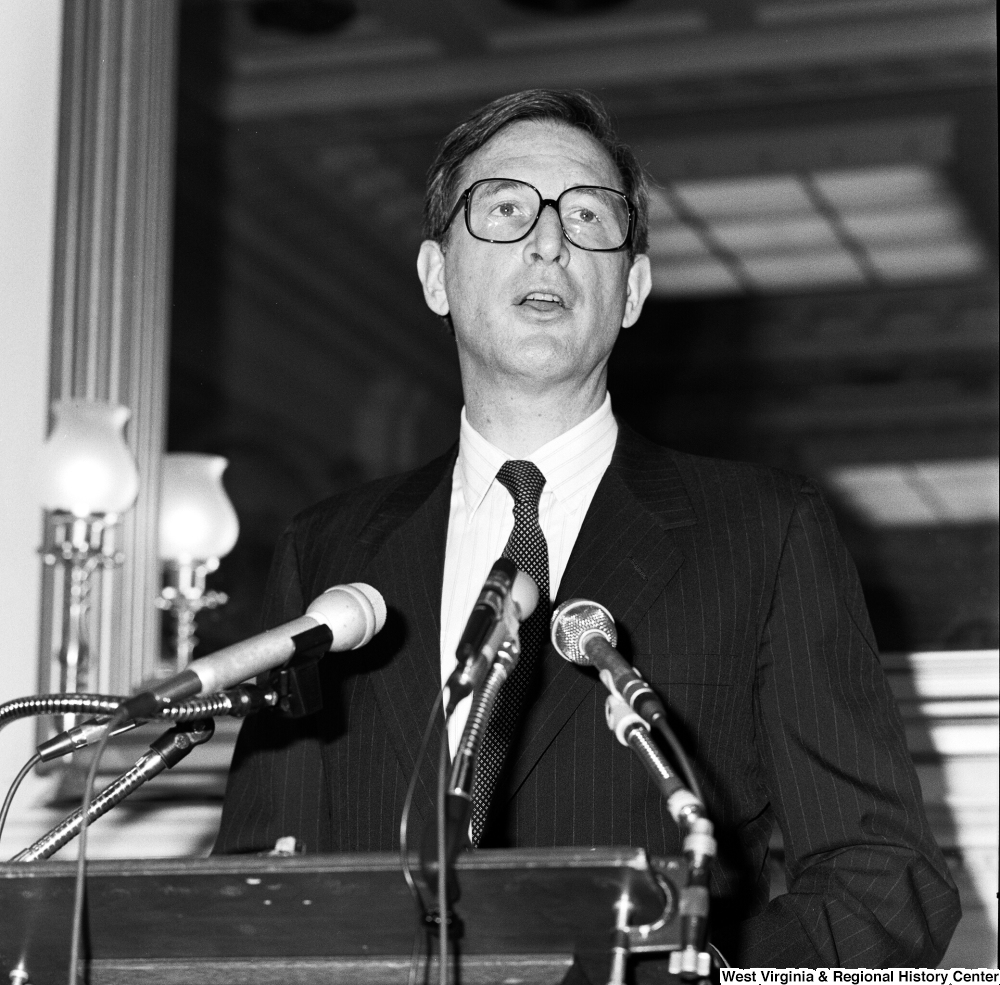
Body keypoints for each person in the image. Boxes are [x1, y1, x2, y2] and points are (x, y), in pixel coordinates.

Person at [214, 89, 960, 967]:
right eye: (504, 209)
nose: (548, 241)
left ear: (633, 288)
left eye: (588, 216)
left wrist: (693, 970)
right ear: (434, 275)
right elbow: (256, 877)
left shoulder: (764, 533)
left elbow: (886, 877)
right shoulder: (329, 550)